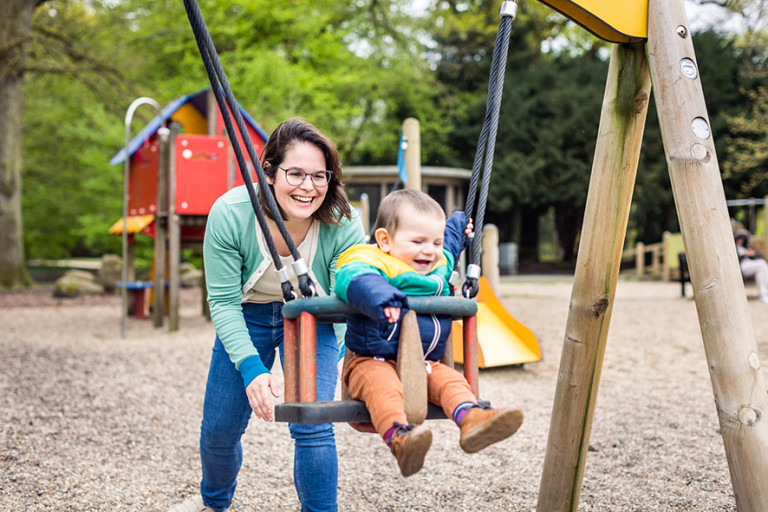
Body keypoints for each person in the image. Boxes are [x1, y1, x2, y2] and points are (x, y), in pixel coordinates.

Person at [173, 118, 365, 512]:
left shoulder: (342, 220)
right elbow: (223, 302)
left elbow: (351, 294)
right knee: (220, 430)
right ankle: (212, 503)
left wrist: (348, 350)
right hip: (247, 315)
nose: (308, 187)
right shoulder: (231, 213)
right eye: (295, 173)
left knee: (312, 424)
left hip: (315, 319)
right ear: (269, 172)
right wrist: (250, 368)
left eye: (319, 176)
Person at [334, 189, 523, 477]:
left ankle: (471, 419)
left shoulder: (436, 266)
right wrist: (381, 298)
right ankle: (400, 437)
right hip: (372, 361)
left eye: (434, 241)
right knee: (384, 389)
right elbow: (354, 279)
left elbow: (447, 246)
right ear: (385, 240)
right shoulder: (370, 261)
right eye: (418, 241)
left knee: (452, 381)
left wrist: (459, 224)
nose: (430, 250)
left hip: (424, 363)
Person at [734, 229, 768, 303]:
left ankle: (764, 291)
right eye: (740, 239)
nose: (741, 240)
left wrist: (752, 253)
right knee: (760, 265)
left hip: (749, 263)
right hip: (740, 267)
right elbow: (735, 258)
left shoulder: (744, 247)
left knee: (762, 264)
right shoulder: (734, 247)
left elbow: (759, 254)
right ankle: (762, 293)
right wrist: (744, 254)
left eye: (742, 239)